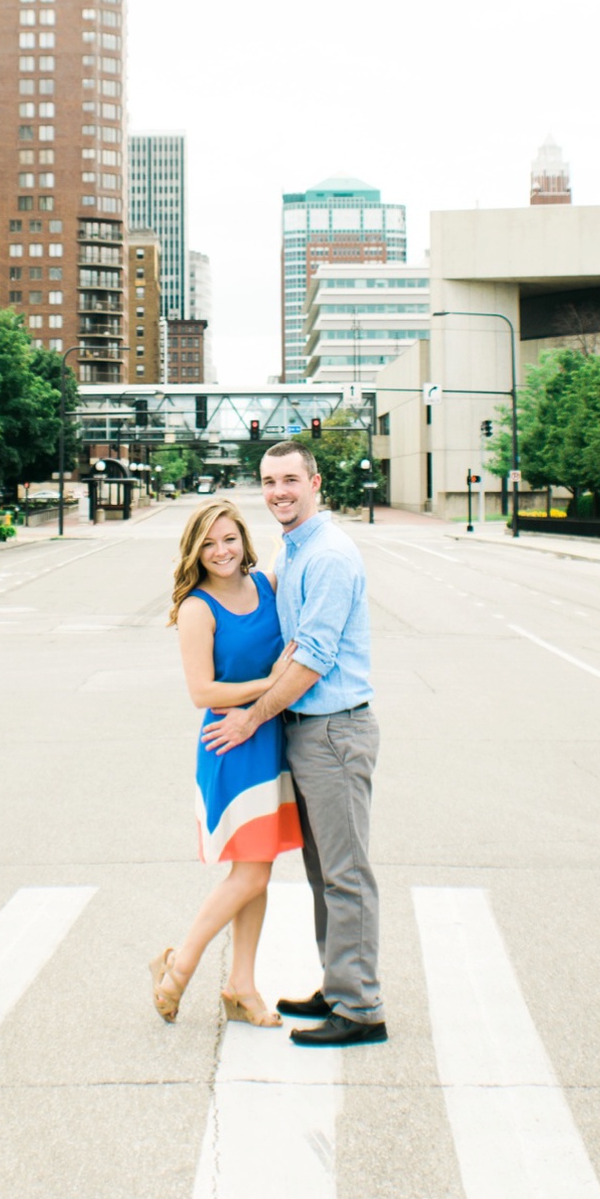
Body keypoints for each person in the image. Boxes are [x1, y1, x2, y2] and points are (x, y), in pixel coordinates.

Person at [201, 443, 385, 1046]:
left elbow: (311, 660)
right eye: (268, 481)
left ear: (315, 482)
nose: (278, 491)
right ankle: (337, 986)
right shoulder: (296, 547)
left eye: (289, 480)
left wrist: (250, 717)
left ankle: (359, 1008)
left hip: (333, 730)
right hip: (306, 733)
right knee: (322, 870)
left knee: (345, 872)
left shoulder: (328, 555)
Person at [151, 498, 302, 1026]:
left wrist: (274, 692)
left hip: (271, 738)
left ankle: (241, 985)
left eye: (229, 539)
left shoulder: (267, 586)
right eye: (209, 543)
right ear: (196, 550)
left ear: (244, 540)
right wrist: (274, 682)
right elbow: (202, 691)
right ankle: (179, 966)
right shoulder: (197, 607)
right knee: (251, 873)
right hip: (231, 743)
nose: (221, 551)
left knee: (256, 870)